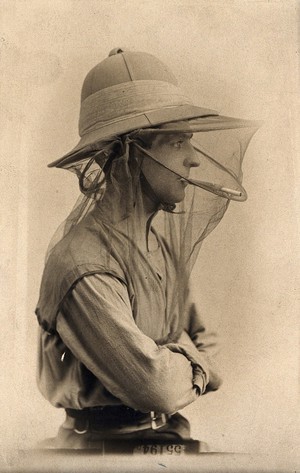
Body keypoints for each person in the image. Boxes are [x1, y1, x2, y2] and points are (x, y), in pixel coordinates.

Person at [35, 48, 259, 453]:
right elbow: (153, 387)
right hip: (97, 453)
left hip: (174, 440)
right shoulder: (83, 264)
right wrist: (184, 361)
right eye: (176, 143)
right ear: (127, 154)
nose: (193, 160)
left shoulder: (162, 246)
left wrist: (174, 361)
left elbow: (213, 347)